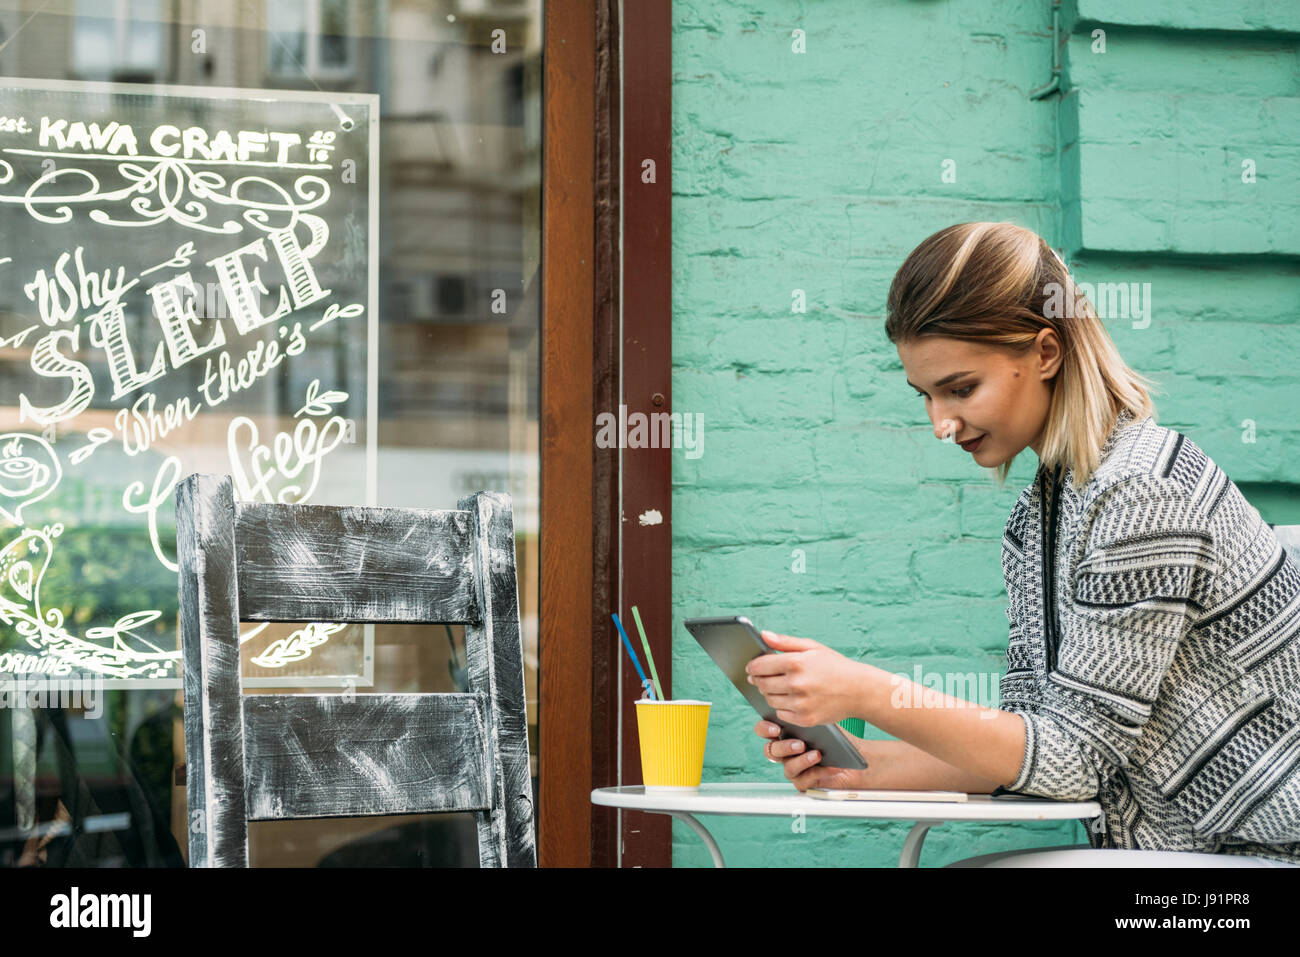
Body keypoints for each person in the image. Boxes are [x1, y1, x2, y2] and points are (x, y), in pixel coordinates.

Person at [748, 221, 1300, 862]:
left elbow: (1072, 764)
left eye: (960, 388)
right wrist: (863, 764)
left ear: (1045, 352)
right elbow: (1041, 753)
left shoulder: (1143, 491)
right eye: (925, 395)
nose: (940, 423)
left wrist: (871, 692)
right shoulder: (1042, 515)